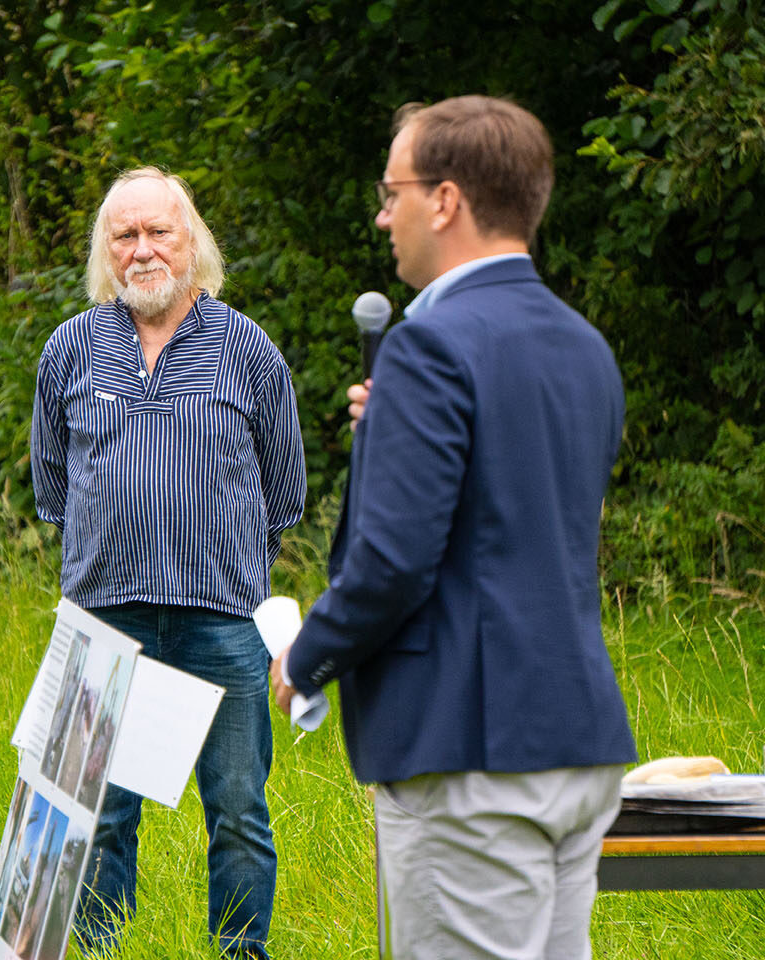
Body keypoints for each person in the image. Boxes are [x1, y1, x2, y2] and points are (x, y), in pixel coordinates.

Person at [271, 96, 637, 960]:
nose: (381, 213)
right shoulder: (584, 344)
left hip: (470, 753)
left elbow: (395, 563)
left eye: (392, 190)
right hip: (576, 740)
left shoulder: (427, 346)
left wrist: (308, 657)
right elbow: (513, 515)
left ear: (445, 200)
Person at [31, 166, 306, 958]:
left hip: (221, 623)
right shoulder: (70, 348)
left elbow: (283, 490)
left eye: (159, 232)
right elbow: (54, 482)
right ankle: (95, 952)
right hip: (103, 619)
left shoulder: (246, 348)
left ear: (191, 243)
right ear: (106, 251)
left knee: (238, 813)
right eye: (125, 235)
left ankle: (239, 954)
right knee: (96, 813)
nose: (143, 249)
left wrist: (220, 565)